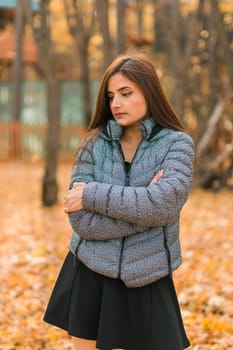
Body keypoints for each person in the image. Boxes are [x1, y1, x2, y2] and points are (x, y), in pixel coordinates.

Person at [44, 52, 194, 350]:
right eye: (112, 96)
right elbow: (83, 222)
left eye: (126, 94)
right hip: (90, 270)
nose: (116, 103)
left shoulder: (178, 144)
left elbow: (164, 204)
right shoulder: (92, 144)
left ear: (150, 92)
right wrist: (146, 214)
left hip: (148, 274)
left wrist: (91, 195)